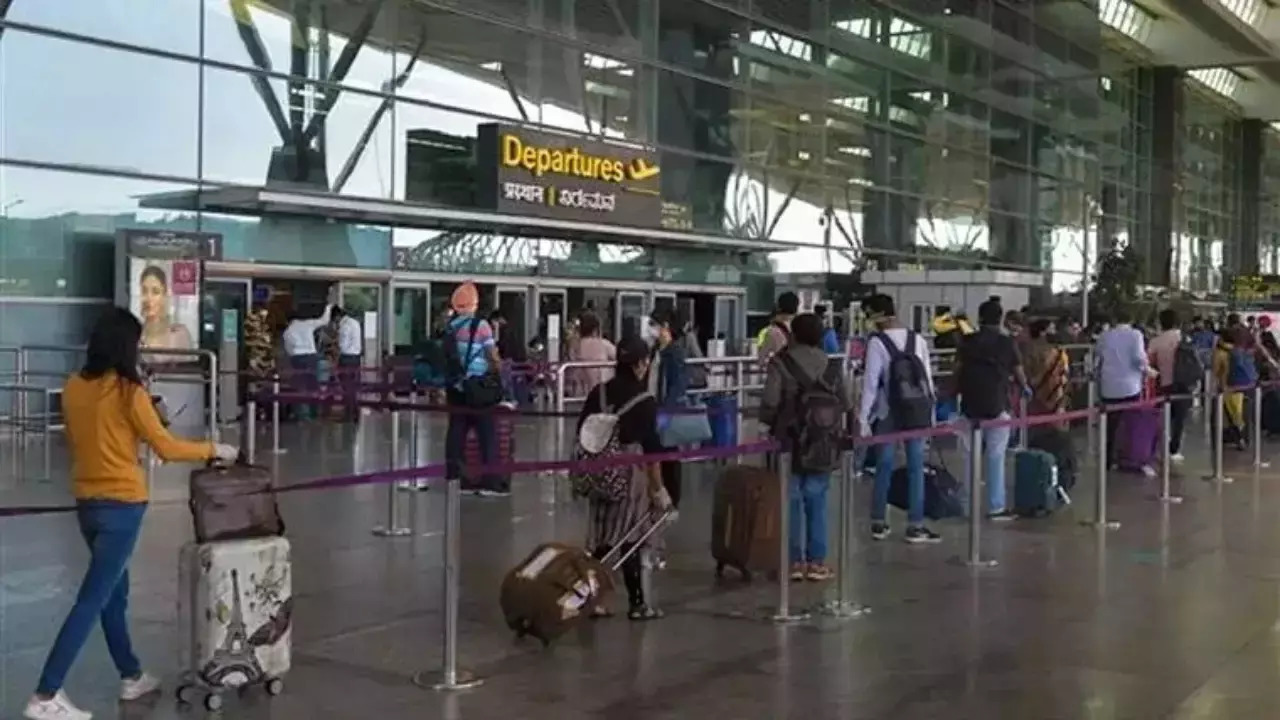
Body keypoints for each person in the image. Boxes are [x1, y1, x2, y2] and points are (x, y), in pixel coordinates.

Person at [24, 308, 237, 720]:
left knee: (113, 596)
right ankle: (46, 694)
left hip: (87, 504)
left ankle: (131, 674)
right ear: (126, 346)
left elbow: (79, 439)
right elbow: (168, 447)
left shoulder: (72, 387)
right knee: (92, 599)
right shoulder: (128, 392)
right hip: (123, 506)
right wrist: (215, 449)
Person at [578, 336, 672, 621]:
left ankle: (592, 600)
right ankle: (638, 603)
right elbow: (651, 451)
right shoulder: (644, 401)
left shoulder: (600, 393)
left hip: (599, 469)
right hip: (630, 472)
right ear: (641, 364)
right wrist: (659, 489)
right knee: (630, 536)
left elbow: (583, 431)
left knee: (602, 536)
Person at [761, 313, 848, 581]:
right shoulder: (831, 365)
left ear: (793, 335)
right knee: (818, 499)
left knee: (792, 499)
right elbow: (844, 402)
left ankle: (794, 561)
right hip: (823, 441)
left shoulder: (781, 362)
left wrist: (769, 424)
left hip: (790, 440)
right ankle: (817, 562)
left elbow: (770, 401)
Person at [858, 293, 940, 543]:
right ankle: (915, 525)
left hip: (887, 411)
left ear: (876, 314)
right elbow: (927, 380)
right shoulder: (918, 340)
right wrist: (931, 414)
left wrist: (863, 418)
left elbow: (871, 384)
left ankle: (879, 521)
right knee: (916, 467)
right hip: (916, 411)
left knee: (884, 465)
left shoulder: (877, 343)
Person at [955, 298, 1027, 521]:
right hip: (997, 405)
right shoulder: (1006, 343)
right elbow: (1018, 371)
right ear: (1000, 318)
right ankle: (996, 507)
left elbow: (957, 370)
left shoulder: (968, 341)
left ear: (980, 318)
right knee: (996, 457)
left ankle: (966, 505)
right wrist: (1025, 388)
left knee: (969, 457)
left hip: (969, 405)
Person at [443, 282, 505, 496]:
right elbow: (492, 356)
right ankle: (490, 481)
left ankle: (455, 479)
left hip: (456, 387)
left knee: (456, 433)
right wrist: (499, 371)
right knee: (487, 434)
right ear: (474, 304)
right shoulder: (481, 326)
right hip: (478, 387)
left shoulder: (450, 326)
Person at [1095, 308, 1153, 475]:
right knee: (1131, 424)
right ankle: (1127, 458)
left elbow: (1098, 355)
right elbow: (1138, 358)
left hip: (1108, 386)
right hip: (1129, 386)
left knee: (1110, 425)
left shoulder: (1105, 335)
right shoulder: (1135, 335)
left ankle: (1107, 459)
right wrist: (1148, 370)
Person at [645, 308, 689, 510]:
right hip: (653, 405)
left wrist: (668, 410)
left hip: (666, 409)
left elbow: (677, 384)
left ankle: (674, 497)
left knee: (670, 453)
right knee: (655, 453)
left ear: (665, 327)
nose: (651, 329)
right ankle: (658, 494)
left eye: (654, 324)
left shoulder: (674, 352)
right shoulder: (655, 350)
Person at [1148, 308, 1192, 463]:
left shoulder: (1156, 341)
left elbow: (1149, 363)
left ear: (1161, 322)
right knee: (1179, 418)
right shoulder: (1184, 338)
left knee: (1163, 417)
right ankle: (1174, 449)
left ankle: (1159, 448)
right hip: (1184, 382)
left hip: (1164, 383)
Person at [281, 302, 334, 421]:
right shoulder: (306, 324)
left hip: (297, 359)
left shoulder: (287, 332)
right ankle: (314, 413)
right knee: (313, 386)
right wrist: (329, 307)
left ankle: (302, 415)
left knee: (300, 387)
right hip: (311, 357)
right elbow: (324, 320)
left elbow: (289, 350)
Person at [137, 265, 194, 352]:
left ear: (164, 296)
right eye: (144, 291)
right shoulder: (134, 335)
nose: (148, 298)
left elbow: (191, 365)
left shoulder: (179, 335)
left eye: (155, 292)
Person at [568, 312, 616, 397]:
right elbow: (618, 355)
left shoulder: (575, 346)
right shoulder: (603, 344)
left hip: (581, 390)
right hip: (602, 389)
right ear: (596, 329)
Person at [331, 307, 363, 422]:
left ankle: (349, 414)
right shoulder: (355, 322)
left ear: (337, 316)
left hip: (347, 359)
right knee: (352, 387)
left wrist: (335, 343)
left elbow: (342, 346)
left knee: (346, 387)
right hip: (356, 358)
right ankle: (354, 412)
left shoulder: (344, 326)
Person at [756, 291, 799, 367]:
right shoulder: (801, 328)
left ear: (779, 307)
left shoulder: (772, 331)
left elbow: (761, 360)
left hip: (781, 374)